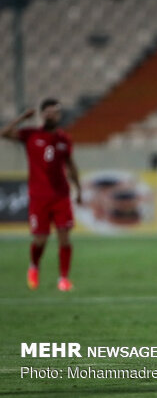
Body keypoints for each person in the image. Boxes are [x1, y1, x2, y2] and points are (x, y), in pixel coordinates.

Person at [1, 99, 82, 291]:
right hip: (39, 196)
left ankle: (63, 278)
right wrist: (21, 118)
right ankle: (34, 266)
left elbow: (70, 165)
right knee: (40, 239)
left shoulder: (64, 139)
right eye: (48, 112)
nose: (51, 115)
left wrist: (78, 189)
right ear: (41, 114)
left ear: (59, 115)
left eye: (55, 112)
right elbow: (3, 134)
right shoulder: (30, 135)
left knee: (64, 237)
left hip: (61, 195)